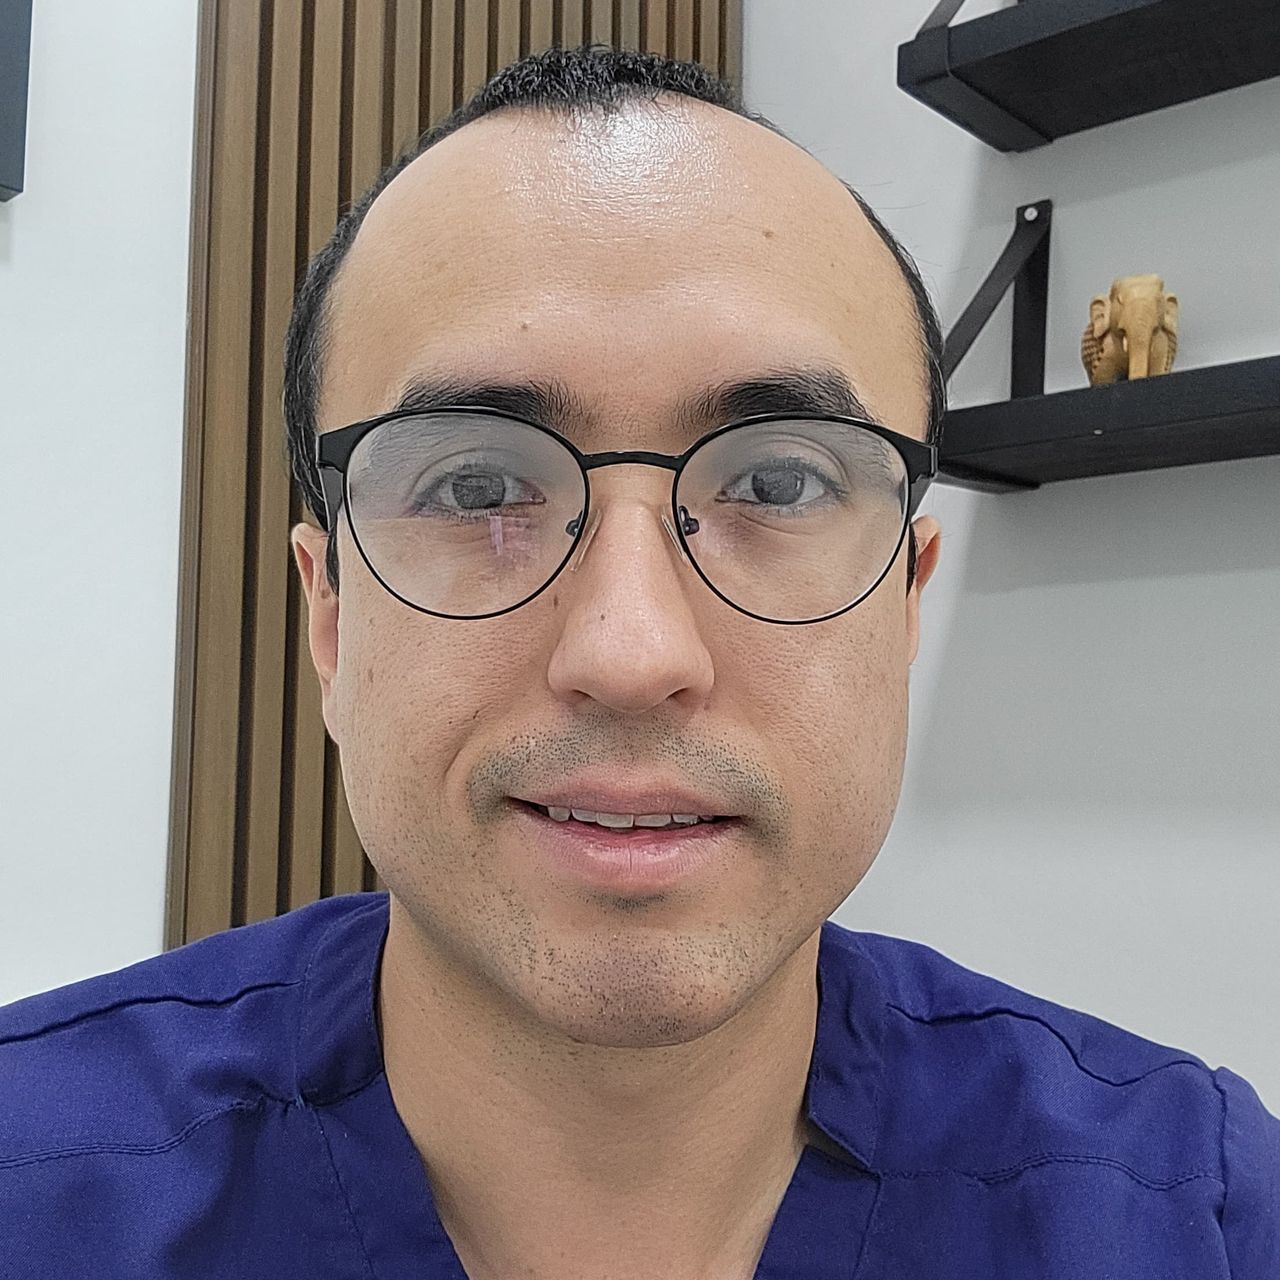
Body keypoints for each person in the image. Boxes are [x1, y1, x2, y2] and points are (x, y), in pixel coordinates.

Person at [1, 45, 1275, 1279]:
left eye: (777, 482)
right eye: (478, 484)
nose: (629, 651)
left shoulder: (1198, 1214)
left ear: (902, 603)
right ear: (329, 614)